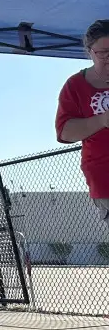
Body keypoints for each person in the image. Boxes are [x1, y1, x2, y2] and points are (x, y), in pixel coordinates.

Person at [55, 19, 109, 222]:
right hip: (105, 175)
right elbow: (64, 132)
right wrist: (102, 120)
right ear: (89, 51)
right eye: (103, 53)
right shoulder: (75, 85)